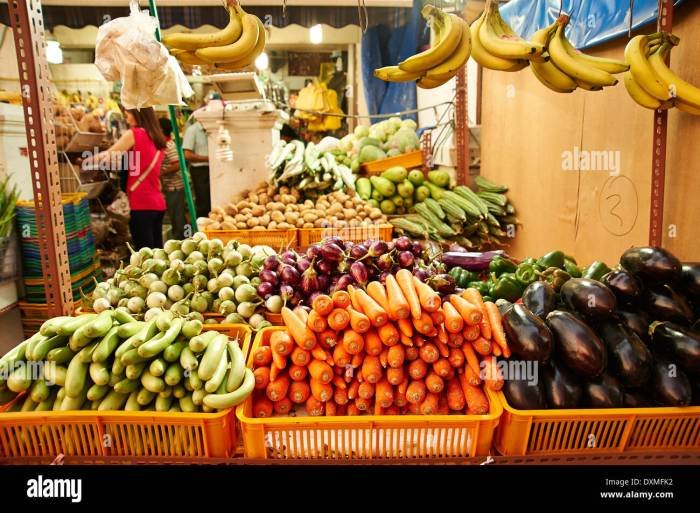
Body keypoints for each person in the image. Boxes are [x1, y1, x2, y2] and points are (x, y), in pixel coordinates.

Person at [83, 107, 166, 249]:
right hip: (158, 203)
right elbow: (138, 164)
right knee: (157, 253)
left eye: (128, 113)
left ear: (137, 114)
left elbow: (109, 154)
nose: (126, 116)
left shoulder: (135, 134)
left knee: (145, 255)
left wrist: (85, 161)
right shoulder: (157, 137)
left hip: (141, 204)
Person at [158, 117, 187, 240]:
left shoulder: (169, 146)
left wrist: (161, 172)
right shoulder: (164, 144)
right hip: (171, 187)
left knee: (177, 216)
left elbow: (177, 164)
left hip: (175, 187)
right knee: (175, 215)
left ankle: (181, 239)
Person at [182, 113, 210, 219]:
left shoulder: (213, 129)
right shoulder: (192, 130)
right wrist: (208, 159)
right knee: (203, 203)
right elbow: (187, 155)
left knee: (212, 202)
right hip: (200, 171)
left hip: (213, 170)